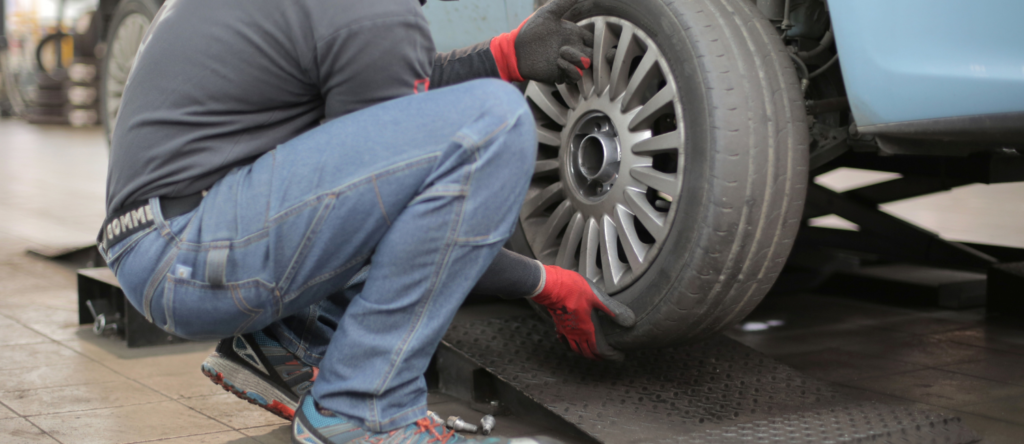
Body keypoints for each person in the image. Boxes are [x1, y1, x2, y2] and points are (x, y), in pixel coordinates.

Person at [98, 0, 635, 442]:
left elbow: (382, 111)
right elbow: (396, 207)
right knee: (492, 123)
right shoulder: (376, 13)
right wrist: (542, 282)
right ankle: (364, 408)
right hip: (192, 254)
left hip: (165, 240)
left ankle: (288, 339)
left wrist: (504, 55)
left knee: (414, 134)